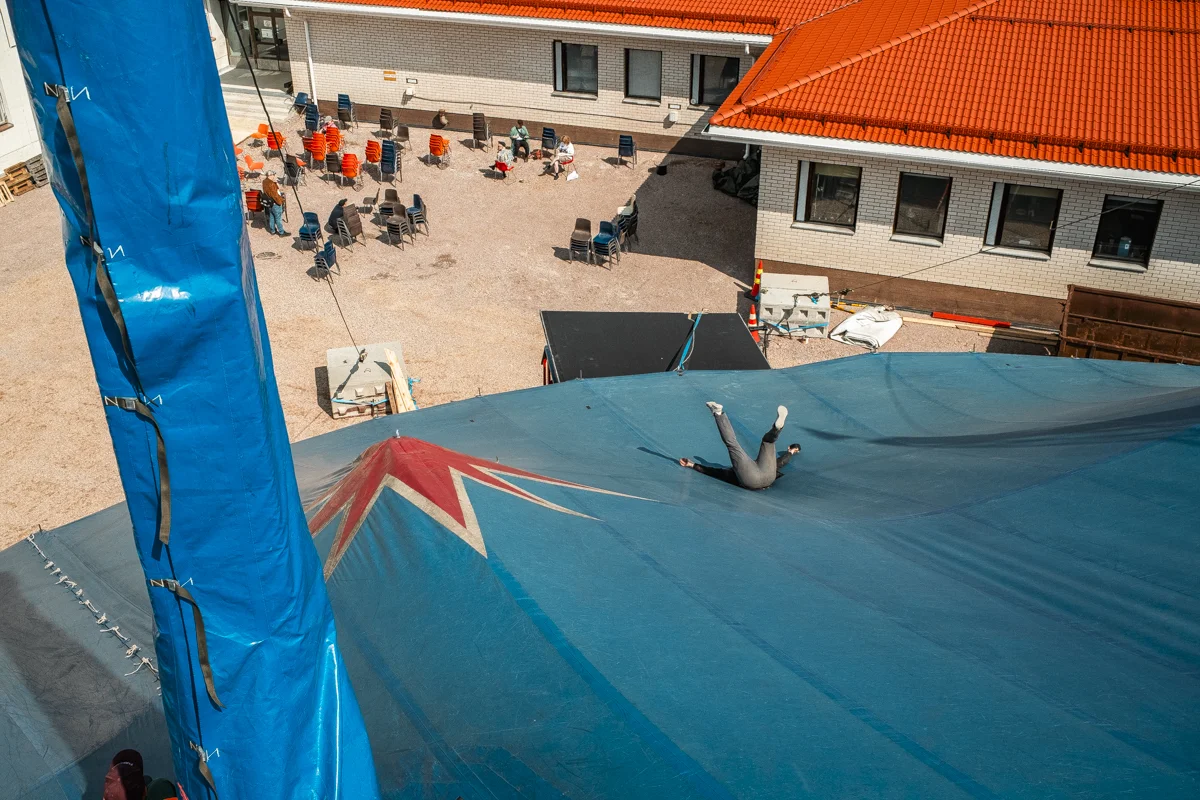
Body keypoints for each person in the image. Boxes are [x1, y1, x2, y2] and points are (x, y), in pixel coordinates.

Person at [679, 402, 800, 490]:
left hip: (755, 480)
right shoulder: (748, 466)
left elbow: (714, 472)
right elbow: (781, 462)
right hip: (769, 476)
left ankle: (718, 412)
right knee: (759, 443)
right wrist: (790, 452)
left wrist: (692, 465)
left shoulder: (735, 472)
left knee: (736, 444)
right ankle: (777, 429)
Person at [261, 172, 288, 237]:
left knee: (272, 217)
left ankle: (272, 230)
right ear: (270, 175)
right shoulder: (271, 184)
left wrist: (275, 183)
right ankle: (281, 232)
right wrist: (280, 201)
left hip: (269, 202)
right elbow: (275, 195)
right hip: (275, 203)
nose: (274, 176)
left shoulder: (264, 181)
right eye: (273, 175)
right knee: (278, 218)